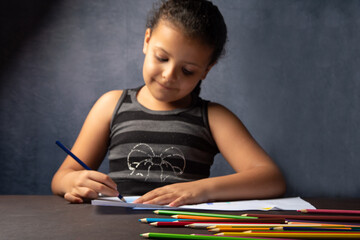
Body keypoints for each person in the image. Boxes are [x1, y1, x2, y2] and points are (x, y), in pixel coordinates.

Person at [51, 0, 286, 207]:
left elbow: (271, 178)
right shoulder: (111, 105)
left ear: (207, 70)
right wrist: (72, 181)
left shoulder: (213, 117)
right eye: (162, 58)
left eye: (187, 70)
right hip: (117, 229)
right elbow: (62, 177)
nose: (169, 75)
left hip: (181, 229)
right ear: (147, 40)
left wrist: (200, 190)